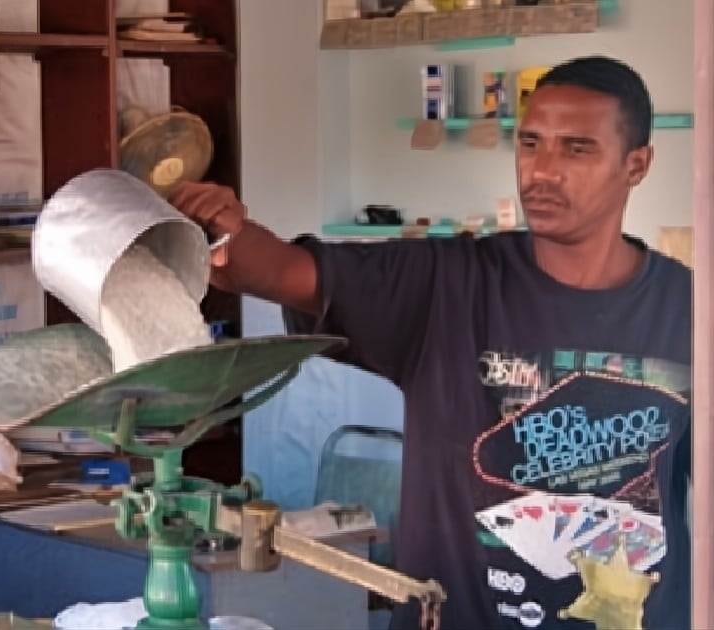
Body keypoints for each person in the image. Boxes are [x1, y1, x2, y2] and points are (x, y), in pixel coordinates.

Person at [169, 56, 691, 630]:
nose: (542, 171)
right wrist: (222, 230)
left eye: (576, 149)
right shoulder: (447, 283)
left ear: (636, 164)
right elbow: (282, 271)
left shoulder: (691, 310)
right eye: (531, 143)